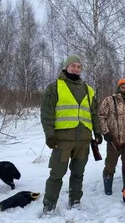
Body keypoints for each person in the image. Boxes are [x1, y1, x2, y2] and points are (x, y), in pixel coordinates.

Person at [40, 55, 102, 214]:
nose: (76, 69)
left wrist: (98, 132)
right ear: (66, 67)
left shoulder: (88, 89)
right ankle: (49, 206)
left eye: (78, 66)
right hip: (62, 141)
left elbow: (94, 113)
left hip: (83, 141)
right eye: (73, 65)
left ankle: (75, 201)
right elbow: (47, 113)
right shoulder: (54, 87)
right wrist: (49, 135)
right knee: (56, 174)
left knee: (78, 173)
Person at [99, 79, 125, 195]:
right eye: (123, 88)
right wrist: (105, 132)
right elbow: (101, 116)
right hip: (114, 140)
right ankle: (108, 189)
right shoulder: (109, 100)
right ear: (118, 88)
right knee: (110, 165)